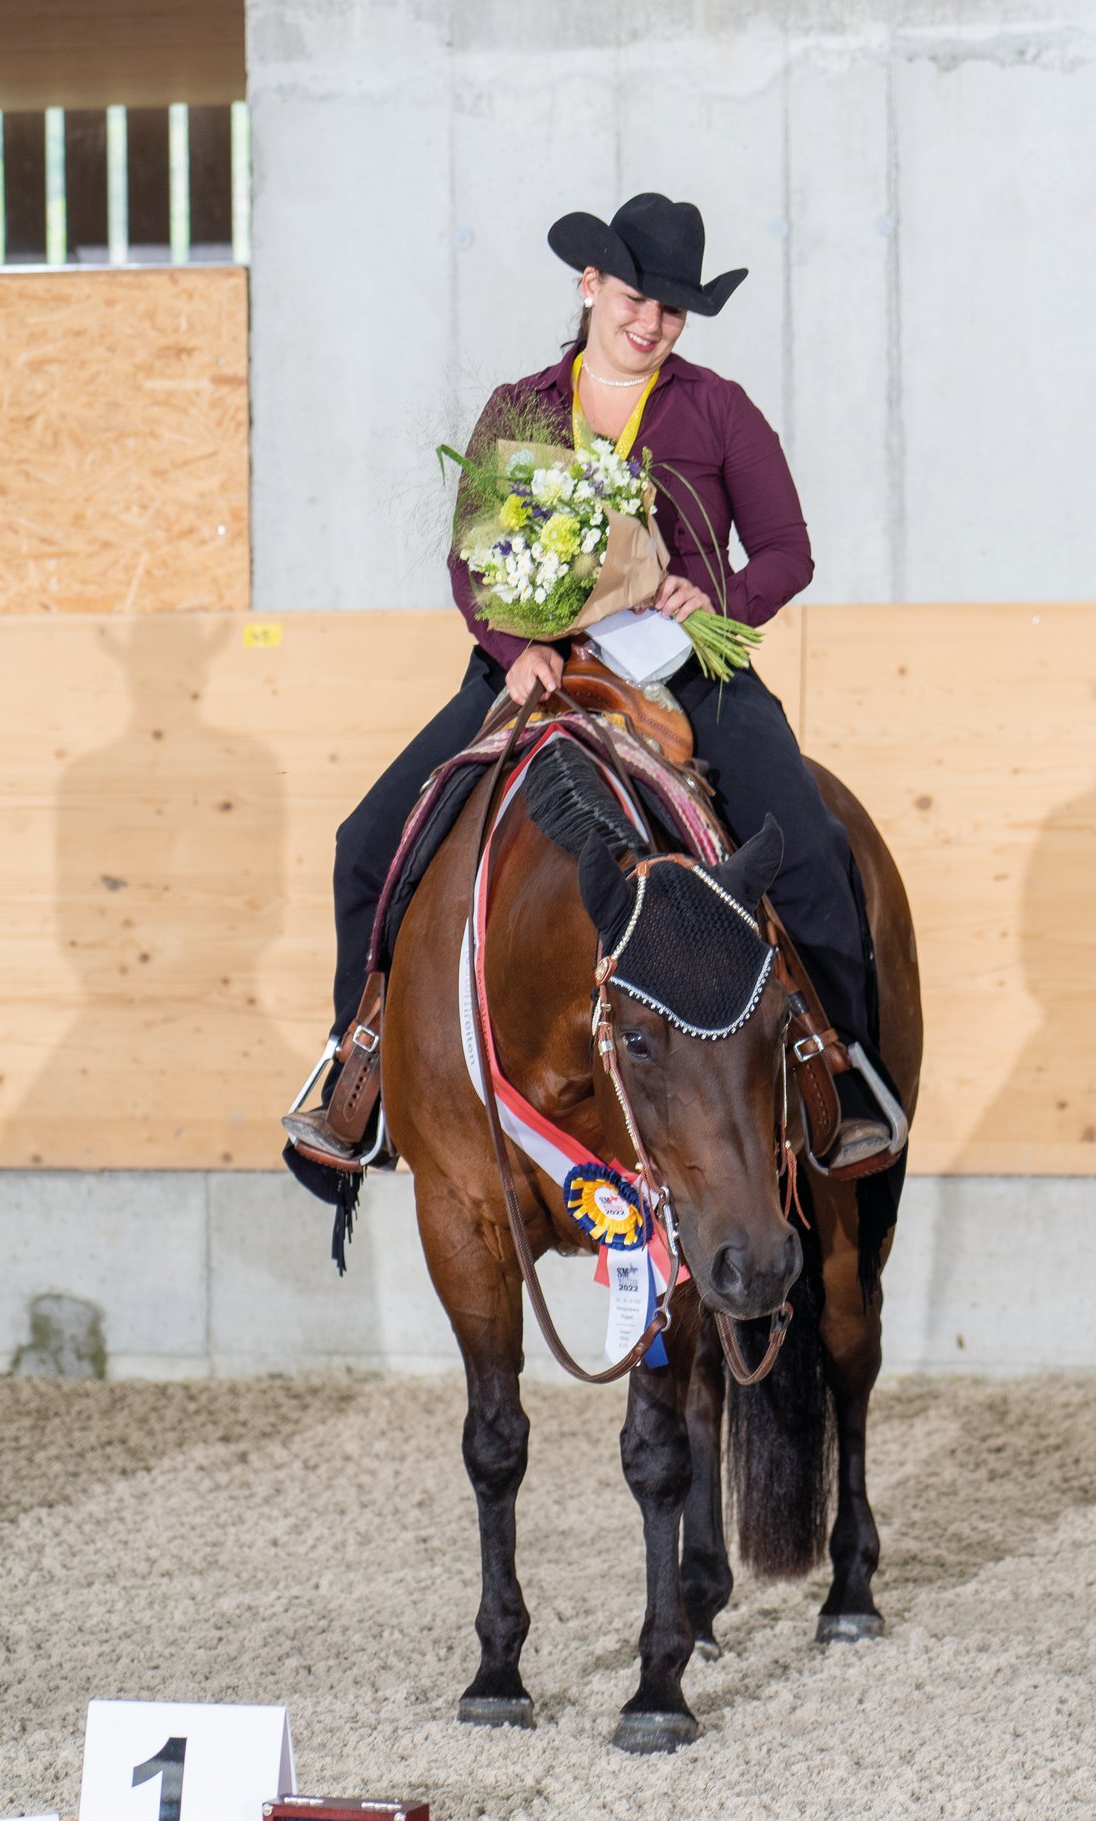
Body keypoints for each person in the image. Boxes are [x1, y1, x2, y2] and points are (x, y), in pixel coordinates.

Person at [283, 192, 891, 1172]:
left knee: (813, 848)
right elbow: (471, 557)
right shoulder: (519, 408)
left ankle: (841, 1070)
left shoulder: (718, 409)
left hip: (687, 673)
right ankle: (360, 1061)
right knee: (367, 843)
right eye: (636, 298)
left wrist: (718, 595)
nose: (650, 323)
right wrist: (506, 639)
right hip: (533, 669)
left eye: (673, 310)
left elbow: (789, 549)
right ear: (591, 285)